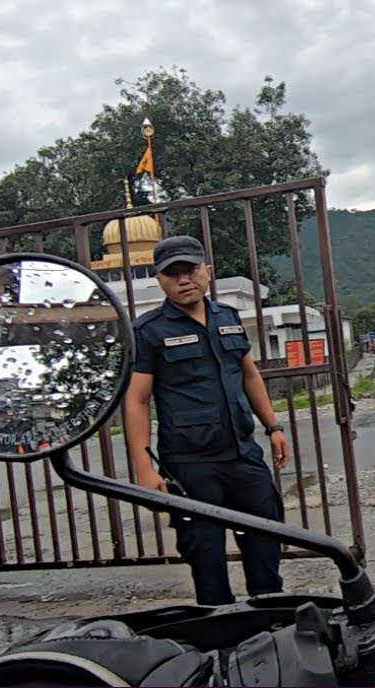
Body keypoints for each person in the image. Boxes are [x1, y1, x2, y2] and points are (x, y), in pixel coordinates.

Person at [122, 235, 290, 606]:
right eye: (173, 274)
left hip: (242, 454)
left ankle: (270, 617)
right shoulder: (148, 331)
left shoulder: (227, 318)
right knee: (205, 552)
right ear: (159, 280)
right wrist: (144, 469)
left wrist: (273, 427)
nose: (184, 280)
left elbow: (250, 375)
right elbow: (136, 400)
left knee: (264, 538)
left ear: (207, 272)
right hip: (190, 463)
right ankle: (221, 632)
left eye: (192, 270)